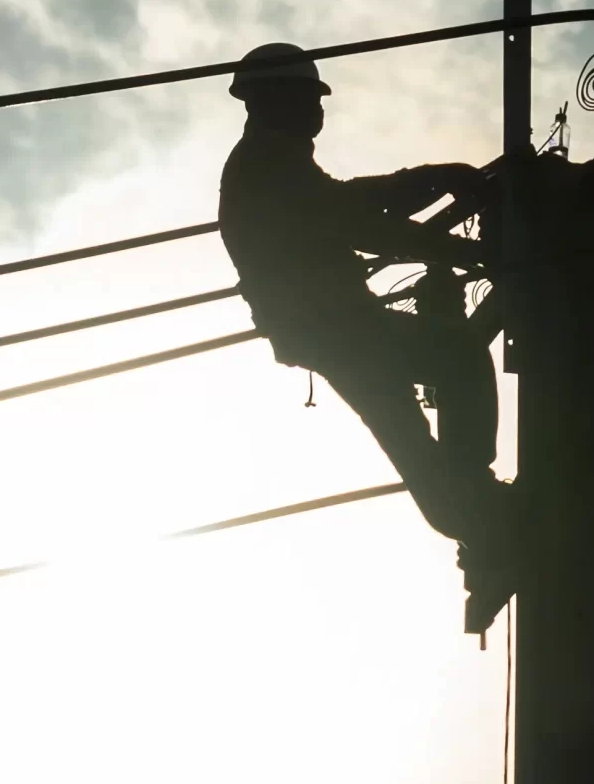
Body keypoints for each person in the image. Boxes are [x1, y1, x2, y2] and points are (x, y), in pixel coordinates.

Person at [217, 42, 516, 631]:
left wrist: (450, 230)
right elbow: (351, 216)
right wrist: (441, 192)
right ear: (271, 102)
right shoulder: (264, 166)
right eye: (309, 100)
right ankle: (476, 506)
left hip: (334, 329)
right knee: (454, 358)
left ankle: (477, 520)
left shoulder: (274, 162)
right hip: (337, 327)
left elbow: (354, 215)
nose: (319, 114)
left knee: (408, 419)